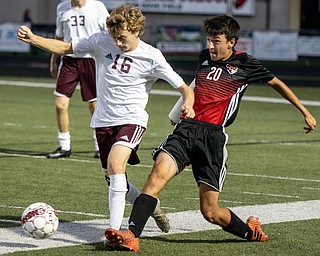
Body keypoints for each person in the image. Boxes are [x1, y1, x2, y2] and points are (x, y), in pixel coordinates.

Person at [104, 15, 317, 252]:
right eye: (208, 40)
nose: (211, 47)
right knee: (155, 178)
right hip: (185, 131)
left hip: (212, 139)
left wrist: (304, 112)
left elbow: (277, 83)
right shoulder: (204, 57)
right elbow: (195, 87)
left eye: (216, 41)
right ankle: (131, 235)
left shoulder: (246, 64)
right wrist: (182, 109)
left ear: (232, 42)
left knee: (210, 212)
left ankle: (249, 231)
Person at [17, 3, 194, 238]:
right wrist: (34, 39)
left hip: (132, 119)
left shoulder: (152, 56)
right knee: (112, 177)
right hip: (103, 121)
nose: (118, 43)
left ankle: (115, 231)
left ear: (137, 31)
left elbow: (184, 88)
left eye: (122, 38)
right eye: (115, 37)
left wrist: (188, 104)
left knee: (115, 164)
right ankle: (149, 204)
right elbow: (66, 47)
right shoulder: (101, 40)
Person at [48, 0, 109, 159]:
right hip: (69, 60)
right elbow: (59, 36)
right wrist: (53, 60)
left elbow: (109, 32)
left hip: (91, 59)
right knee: (60, 105)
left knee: (94, 106)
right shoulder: (62, 7)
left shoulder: (97, 7)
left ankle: (99, 146)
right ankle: (64, 146)